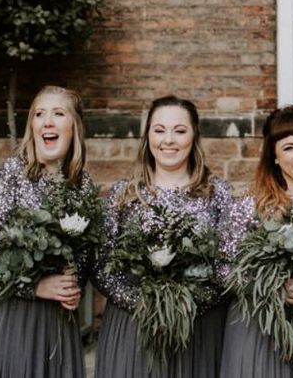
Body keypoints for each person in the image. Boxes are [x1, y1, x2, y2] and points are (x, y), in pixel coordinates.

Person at [93, 95, 239, 377]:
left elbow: (230, 263)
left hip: (198, 329)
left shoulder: (218, 193)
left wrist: (186, 304)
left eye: (179, 131)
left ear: (194, 136)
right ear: (147, 136)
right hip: (133, 325)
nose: (168, 140)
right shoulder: (124, 194)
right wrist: (146, 304)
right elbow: (101, 263)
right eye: (159, 130)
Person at [0, 85, 93, 378]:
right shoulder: (10, 174)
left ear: (74, 127)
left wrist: (74, 283)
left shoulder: (82, 184)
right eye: (39, 114)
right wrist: (34, 287)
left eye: (58, 113)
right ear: (32, 127)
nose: (47, 121)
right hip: (10, 315)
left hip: (57, 321)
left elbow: (86, 250)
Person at [220, 105, 293, 378]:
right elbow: (224, 269)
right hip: (261, 332)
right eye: (289, 147)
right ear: (274, 157)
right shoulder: (251, 204)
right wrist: (275, 288)